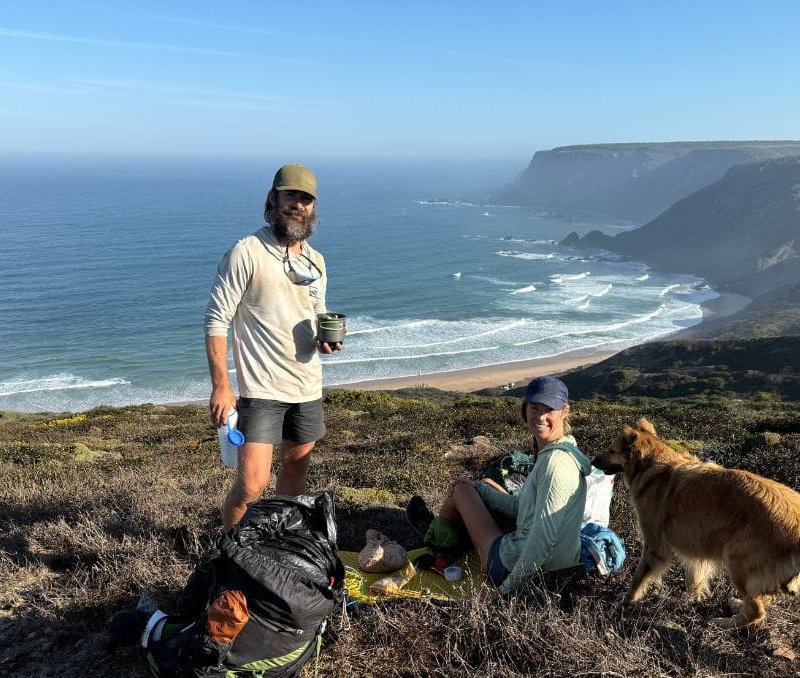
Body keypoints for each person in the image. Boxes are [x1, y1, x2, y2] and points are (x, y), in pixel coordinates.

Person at [205, 163, 342, 530]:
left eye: (306, 199)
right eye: (290, 196)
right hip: (261, 388)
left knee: (296, 470)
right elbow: (217, 320)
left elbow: (316, 312)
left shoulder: (316, 260)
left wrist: (325, 339)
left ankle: (278, 543)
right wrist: (222, 386)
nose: (298, 205)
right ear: (273, 199)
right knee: (252, 484)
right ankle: (230, 552)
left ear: (313, 207)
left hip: (307, 384)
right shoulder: (247, 252)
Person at [406, 376, 591, 594]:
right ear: (525, 410)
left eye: (549, 409)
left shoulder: (554, 464)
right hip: (556, 563)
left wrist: (505, 590)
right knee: (483, 484)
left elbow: (542, 541)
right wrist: (479, 487)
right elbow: (521, 509)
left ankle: (436, 538)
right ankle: (450, 530)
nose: (541, 416)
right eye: (534, 407)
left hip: (513, 567)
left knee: (461, 490)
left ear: (565, 411)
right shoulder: (564, 451)